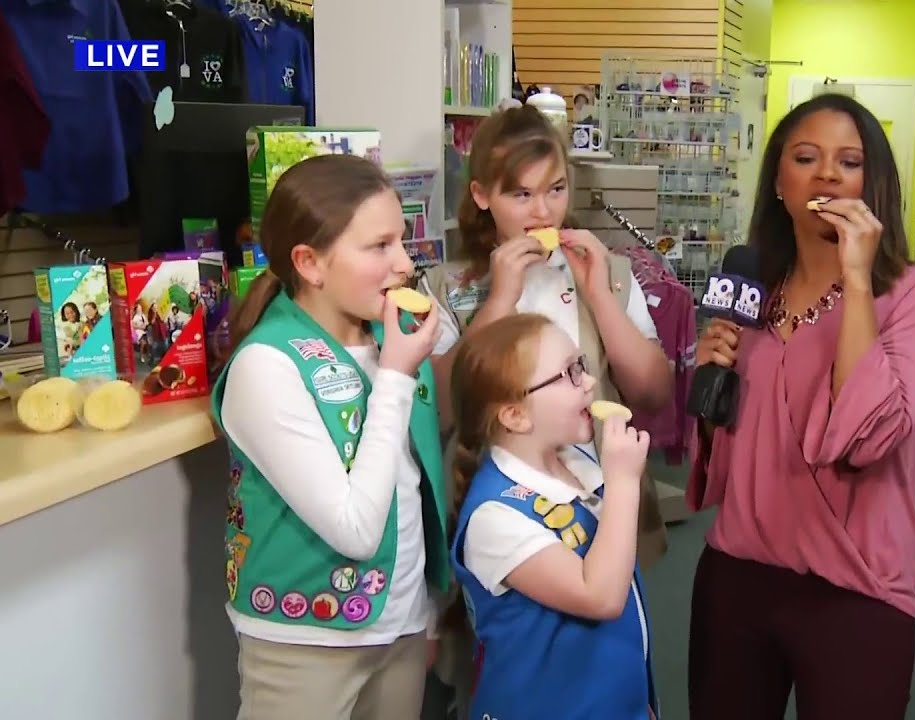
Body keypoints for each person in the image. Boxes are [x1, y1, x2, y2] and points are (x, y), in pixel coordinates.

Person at [685, 93, 915, 720]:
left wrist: (857, 281)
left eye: (849, 162)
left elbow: (869, 439)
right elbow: (728, 447)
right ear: (779, 180)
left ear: (873, 183)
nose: (827, 173)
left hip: (856, 591)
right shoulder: (752, 289)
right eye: (806, 157)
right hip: (737, 575)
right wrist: (707, 380)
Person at [419, 104, 673, 707]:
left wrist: (601, 298)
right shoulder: (449, 286)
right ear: (481, 195)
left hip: (598, 499)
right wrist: (499, 298)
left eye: (556, 189)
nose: (542, 212)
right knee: (510, 654)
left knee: (603, 641)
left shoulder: (605, 270)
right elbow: (443, 411)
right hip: (504, 511)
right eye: (521, 194)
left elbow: (655, 395)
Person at [212, 154, 450, 720]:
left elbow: (413, 482)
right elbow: (356, 528)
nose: (404, 264)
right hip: (306, 640)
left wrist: (427, 609)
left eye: (402, 241)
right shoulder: (268, 365)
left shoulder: (388, 338)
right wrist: (394, 376)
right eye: (379, 246)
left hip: (400, 625)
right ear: (310, 263)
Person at [448, 312, 657, 720]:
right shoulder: (494, 518)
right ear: (515, 415)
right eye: (569, 374)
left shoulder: (577, 462)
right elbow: (600, 596)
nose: (590, 382)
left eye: (581, 365)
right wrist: (624, 484)